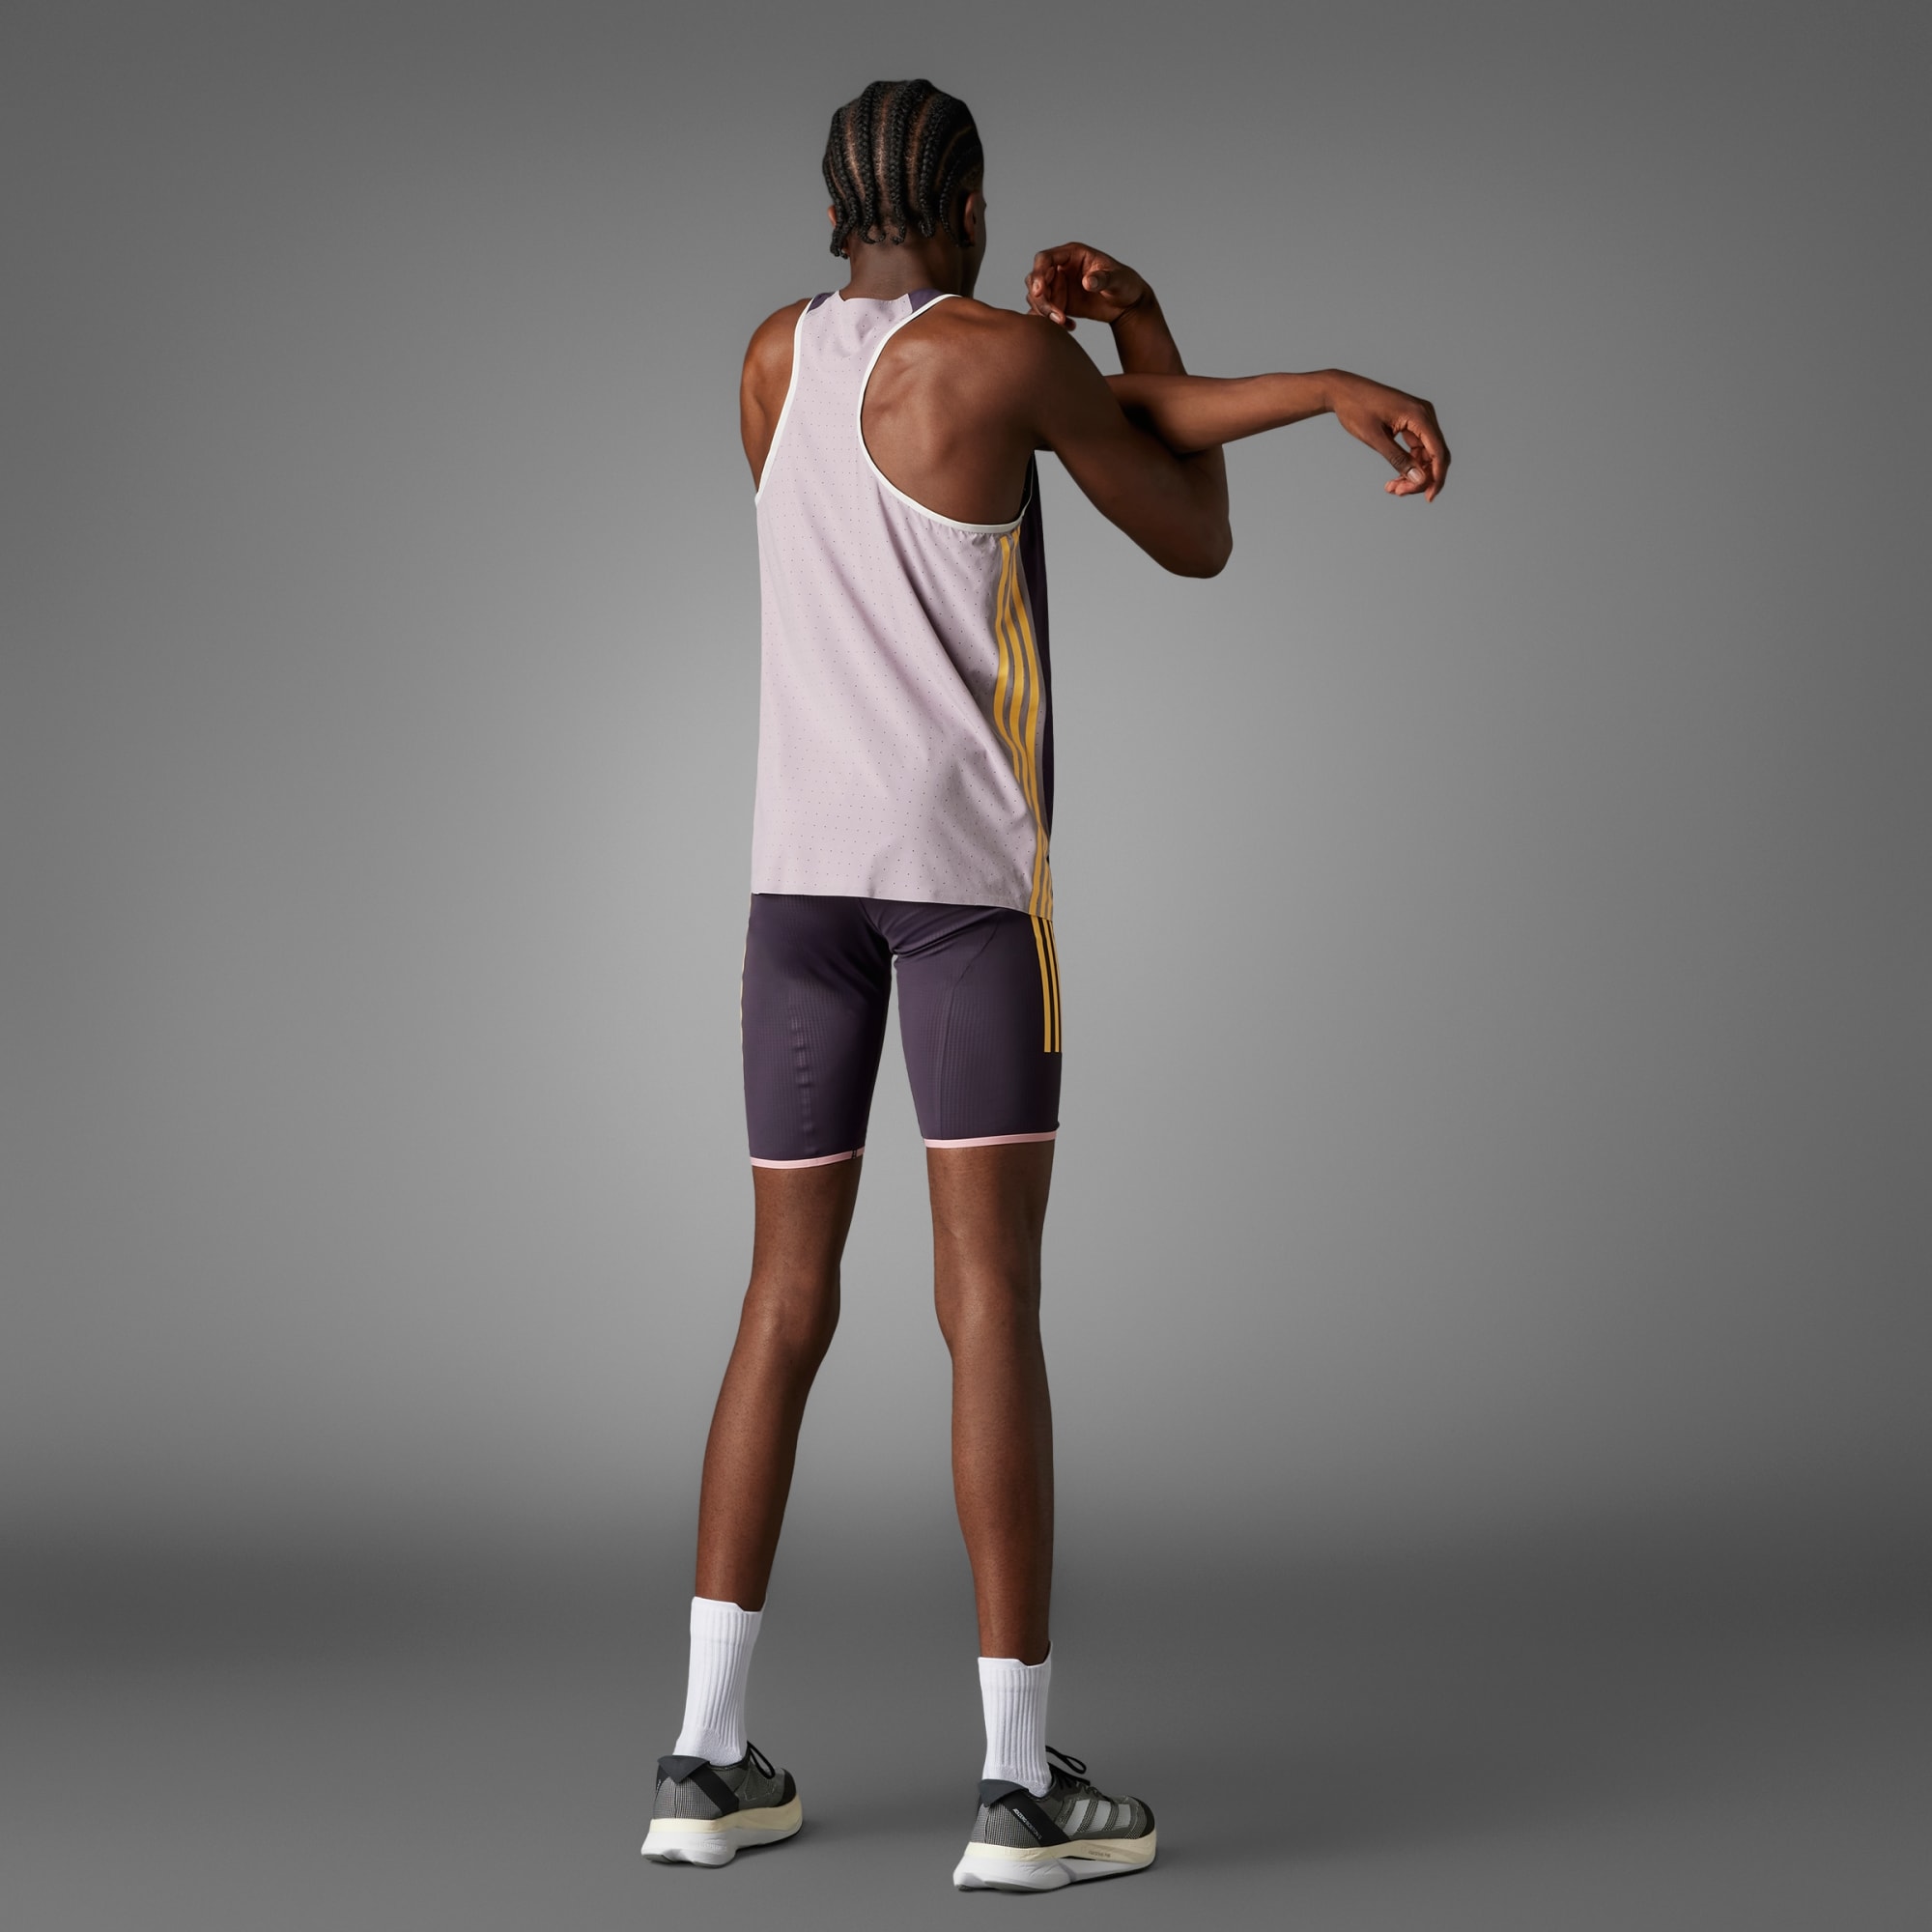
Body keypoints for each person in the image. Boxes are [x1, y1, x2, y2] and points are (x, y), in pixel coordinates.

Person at [641, 76, 1449, 1894]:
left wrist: (1168, 356)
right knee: (988, 1300)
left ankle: (701, 1762)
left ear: (834, 210)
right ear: (973, 207)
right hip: (960, 904)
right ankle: (1017, 1791)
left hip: (795, 899)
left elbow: (1092, 418)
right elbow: (1189, 519)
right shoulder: (1008, 358)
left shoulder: (769, 357)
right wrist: (1275, 368)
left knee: (781, 1299)